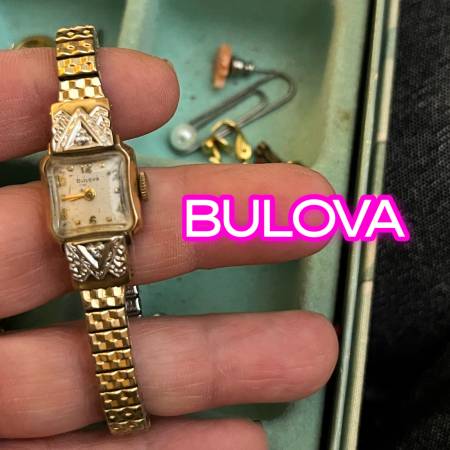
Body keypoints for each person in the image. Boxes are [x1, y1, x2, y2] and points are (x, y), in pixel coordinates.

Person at [0, 47, 338, 449]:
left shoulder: (111, 176)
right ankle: (124, 410)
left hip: (100, 243)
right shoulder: (68, 178)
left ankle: (124, 409)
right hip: (81, 244)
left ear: (134, 185)